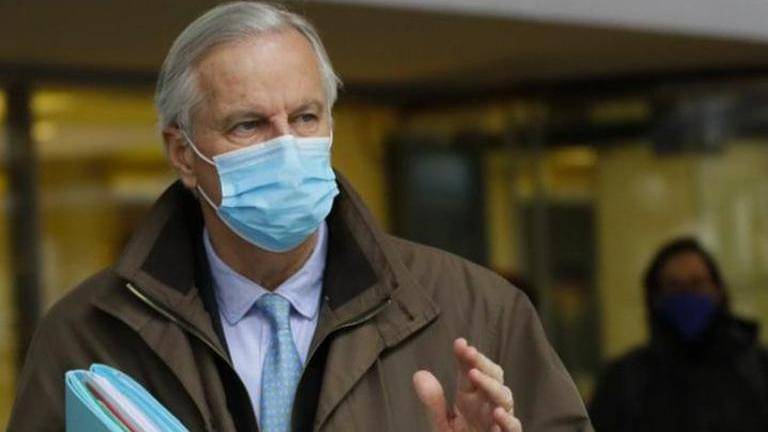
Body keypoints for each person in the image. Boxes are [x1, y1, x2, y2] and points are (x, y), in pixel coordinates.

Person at [8, 2, 590, 431]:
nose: (286, 146)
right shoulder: (89, 334)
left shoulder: (479, 312)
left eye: (306, 118)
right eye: (249, 125)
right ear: (183, 153)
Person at [590, 237, 768, 431]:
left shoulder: (758, 370)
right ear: (656, 298)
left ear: (718, 291)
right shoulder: (625, 381)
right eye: (674, 286)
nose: (687, 294)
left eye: (697, 283)